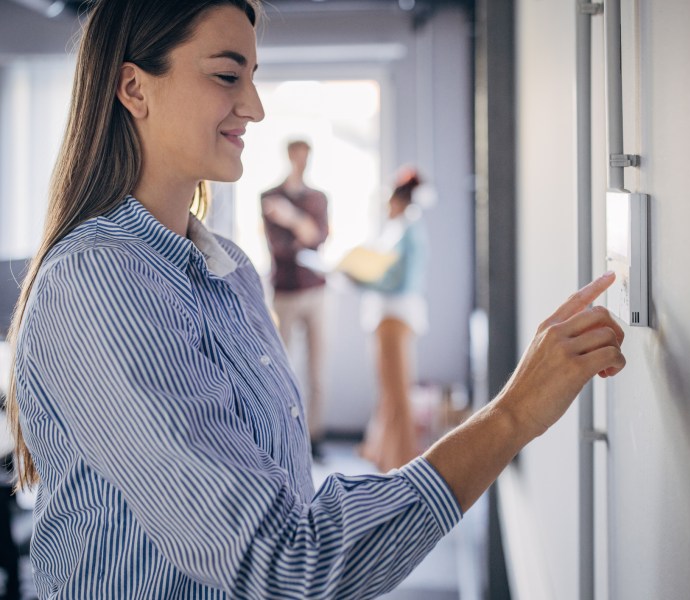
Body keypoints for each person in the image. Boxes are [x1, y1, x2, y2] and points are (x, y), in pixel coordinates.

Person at [3, 1, 626, 598]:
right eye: (227, 75)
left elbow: (287, 503)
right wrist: (511, 416)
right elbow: (286, 563)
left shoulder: (229, 268)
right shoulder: (98, 282)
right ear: (134, 89)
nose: (254, 107)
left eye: (252, 78)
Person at [260, 140, 329, 460]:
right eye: (297, 155)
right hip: (285, 291)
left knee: (318, 369)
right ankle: (285, 435)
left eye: (307, 156)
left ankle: (314, 437)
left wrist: (290, 219)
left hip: (316, 290)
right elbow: (280, 248)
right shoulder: (269, 196)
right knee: (281, 365)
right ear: (289, 156)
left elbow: (318, 237)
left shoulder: (318, 198)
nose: (302, 161)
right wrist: (301, 230)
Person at [356, 168, 429, 472]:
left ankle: (402, 465)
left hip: (395, 318)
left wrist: (360, 276)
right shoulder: (397, 229)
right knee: (389, 395)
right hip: (389, 318)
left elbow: (397, 281)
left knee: (397, 396)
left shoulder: (407, 231)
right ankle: (386, 459)